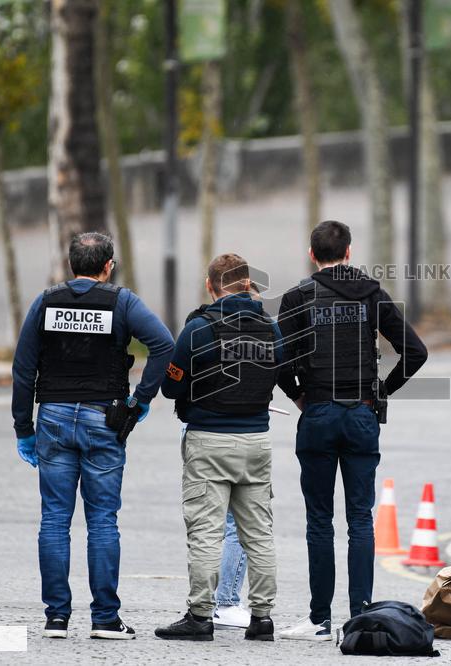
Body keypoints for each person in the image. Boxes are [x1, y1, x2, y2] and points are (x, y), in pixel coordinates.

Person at [11, 232, 173, 640]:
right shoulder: (122, 301)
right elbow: (164, 344)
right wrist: (139, 402)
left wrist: (23, 428)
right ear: (108, 267)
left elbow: (23, 367)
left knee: (54, 519)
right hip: (105, 416)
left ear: (71, 266)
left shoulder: (46, 302)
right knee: (102, 521)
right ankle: (104, 618)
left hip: (53, 416)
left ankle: (56, 618)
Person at [276, 221, 428, 640]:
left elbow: (277, 360)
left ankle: (319, 620)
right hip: (362, 414)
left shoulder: (297, 298)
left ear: (312, 255)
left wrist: (298, 396)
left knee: (319, 521)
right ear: (348, 253)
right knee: (361, 518)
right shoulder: (372, 296)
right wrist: (381, 391)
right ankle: (360, 614)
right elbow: (416, 352)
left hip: (319, 413)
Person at [155, 253, 282, 642]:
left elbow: (171, 385)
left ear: (210, 286)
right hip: (257, 439)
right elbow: (280, 370)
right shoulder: (271, 329)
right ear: (247, 283)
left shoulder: (199, 328)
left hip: (209, 439)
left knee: (207, 531)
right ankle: (262, 618)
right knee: (258, 533)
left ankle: (200, 616)